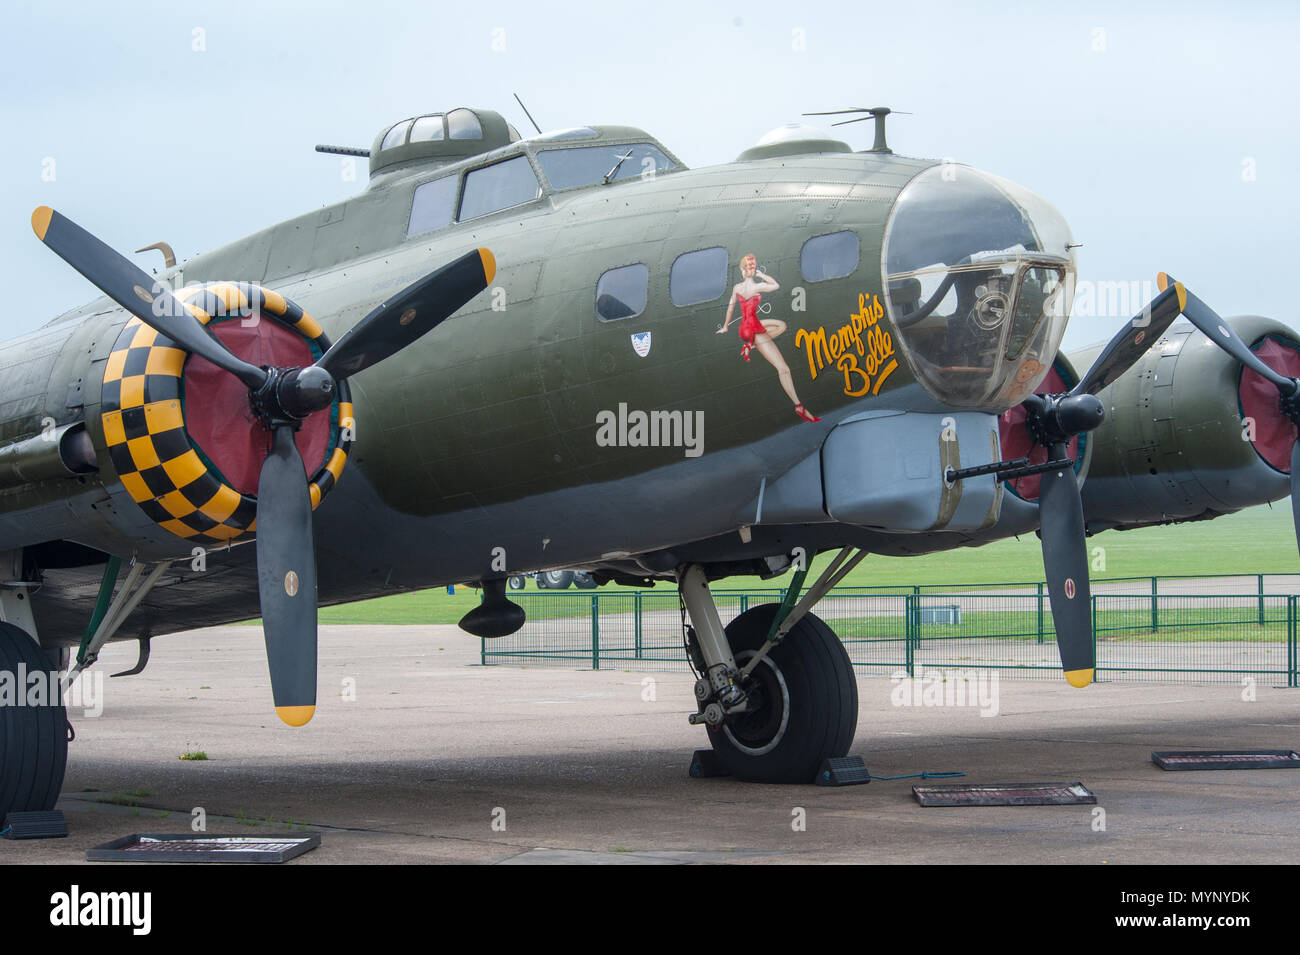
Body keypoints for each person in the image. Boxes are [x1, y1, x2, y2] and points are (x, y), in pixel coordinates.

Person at [717, 254, 819, 422]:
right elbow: (776, 285)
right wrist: (762, 275)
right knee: (783, 368)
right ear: (751, 270)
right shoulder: (758, 287)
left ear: (742, 271)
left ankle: (751, 346)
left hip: (746, 327)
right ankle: (798, 406)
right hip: (754, 330)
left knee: (780, 326)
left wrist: (726, 326)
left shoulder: (737, 288)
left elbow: (730, 308)